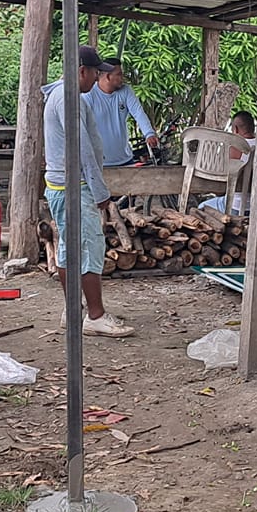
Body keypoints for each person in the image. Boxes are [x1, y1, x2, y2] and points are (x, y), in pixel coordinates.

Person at [43, 45, 135, 337]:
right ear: (82, 71)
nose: (97, 79)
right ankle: (95, 315)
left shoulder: (64, 95)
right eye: (95, 72)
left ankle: (73, 310)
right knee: (89, 249)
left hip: (64, 184)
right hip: (75, 185)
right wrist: (99, 191)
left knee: (70, 248)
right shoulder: (67, 99)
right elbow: (81, 149)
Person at [82, 57, 159, 168]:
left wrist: (149, 133)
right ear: (108, 77)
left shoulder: (126, 91)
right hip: (99, 163)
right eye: (119, 75)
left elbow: (138, 113)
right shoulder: (88, 95)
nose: (122, 78)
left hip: (126, 160)